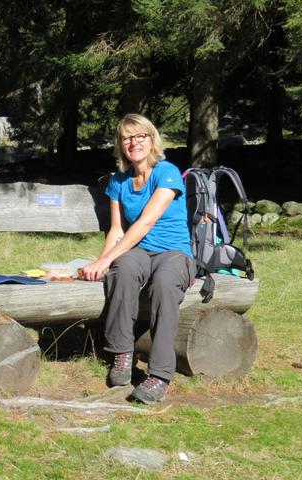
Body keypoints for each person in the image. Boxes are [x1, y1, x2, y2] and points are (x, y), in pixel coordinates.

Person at [80, 113, 195, 403]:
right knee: (122, 267)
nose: (134, 142)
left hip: (174, 252)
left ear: (151, 139)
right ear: (121, 145)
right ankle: (122, 353)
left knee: (164, 283)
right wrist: (102, 261)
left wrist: (104, 260)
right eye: (127, 138)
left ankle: (159, 374)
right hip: (140, 251)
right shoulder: (118, 182)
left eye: (140, 136)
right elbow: (117, 230)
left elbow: (144, 223)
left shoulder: (166, 172)